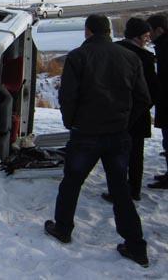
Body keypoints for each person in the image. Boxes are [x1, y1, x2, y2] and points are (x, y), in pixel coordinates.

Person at [44, 15, 151, 267]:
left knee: (72, 182)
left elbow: (68, 96)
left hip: (86, 134)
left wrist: (71, 122)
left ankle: (63, 228)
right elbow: (143, 98)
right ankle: (136, 246)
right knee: (120, 190)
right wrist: (125, 122)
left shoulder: (78, 57)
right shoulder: (130, 57)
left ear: (87, 31)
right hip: (117, 134)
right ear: (109, 31)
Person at [100, 18, 158, 201]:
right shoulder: (146, 58)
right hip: (138, 114)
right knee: (135, 154)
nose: (148, 39)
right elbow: (151, 91)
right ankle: (133, 189)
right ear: (137, 36)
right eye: (146, 36)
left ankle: (119, 190)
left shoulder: (114, 51)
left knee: (118, 154)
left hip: (116, 111)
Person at [147, 14, 168, 188]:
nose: (149, 35)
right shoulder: (162, 46)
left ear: (159, 30)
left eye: (150, 31)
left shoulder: (164, 47)